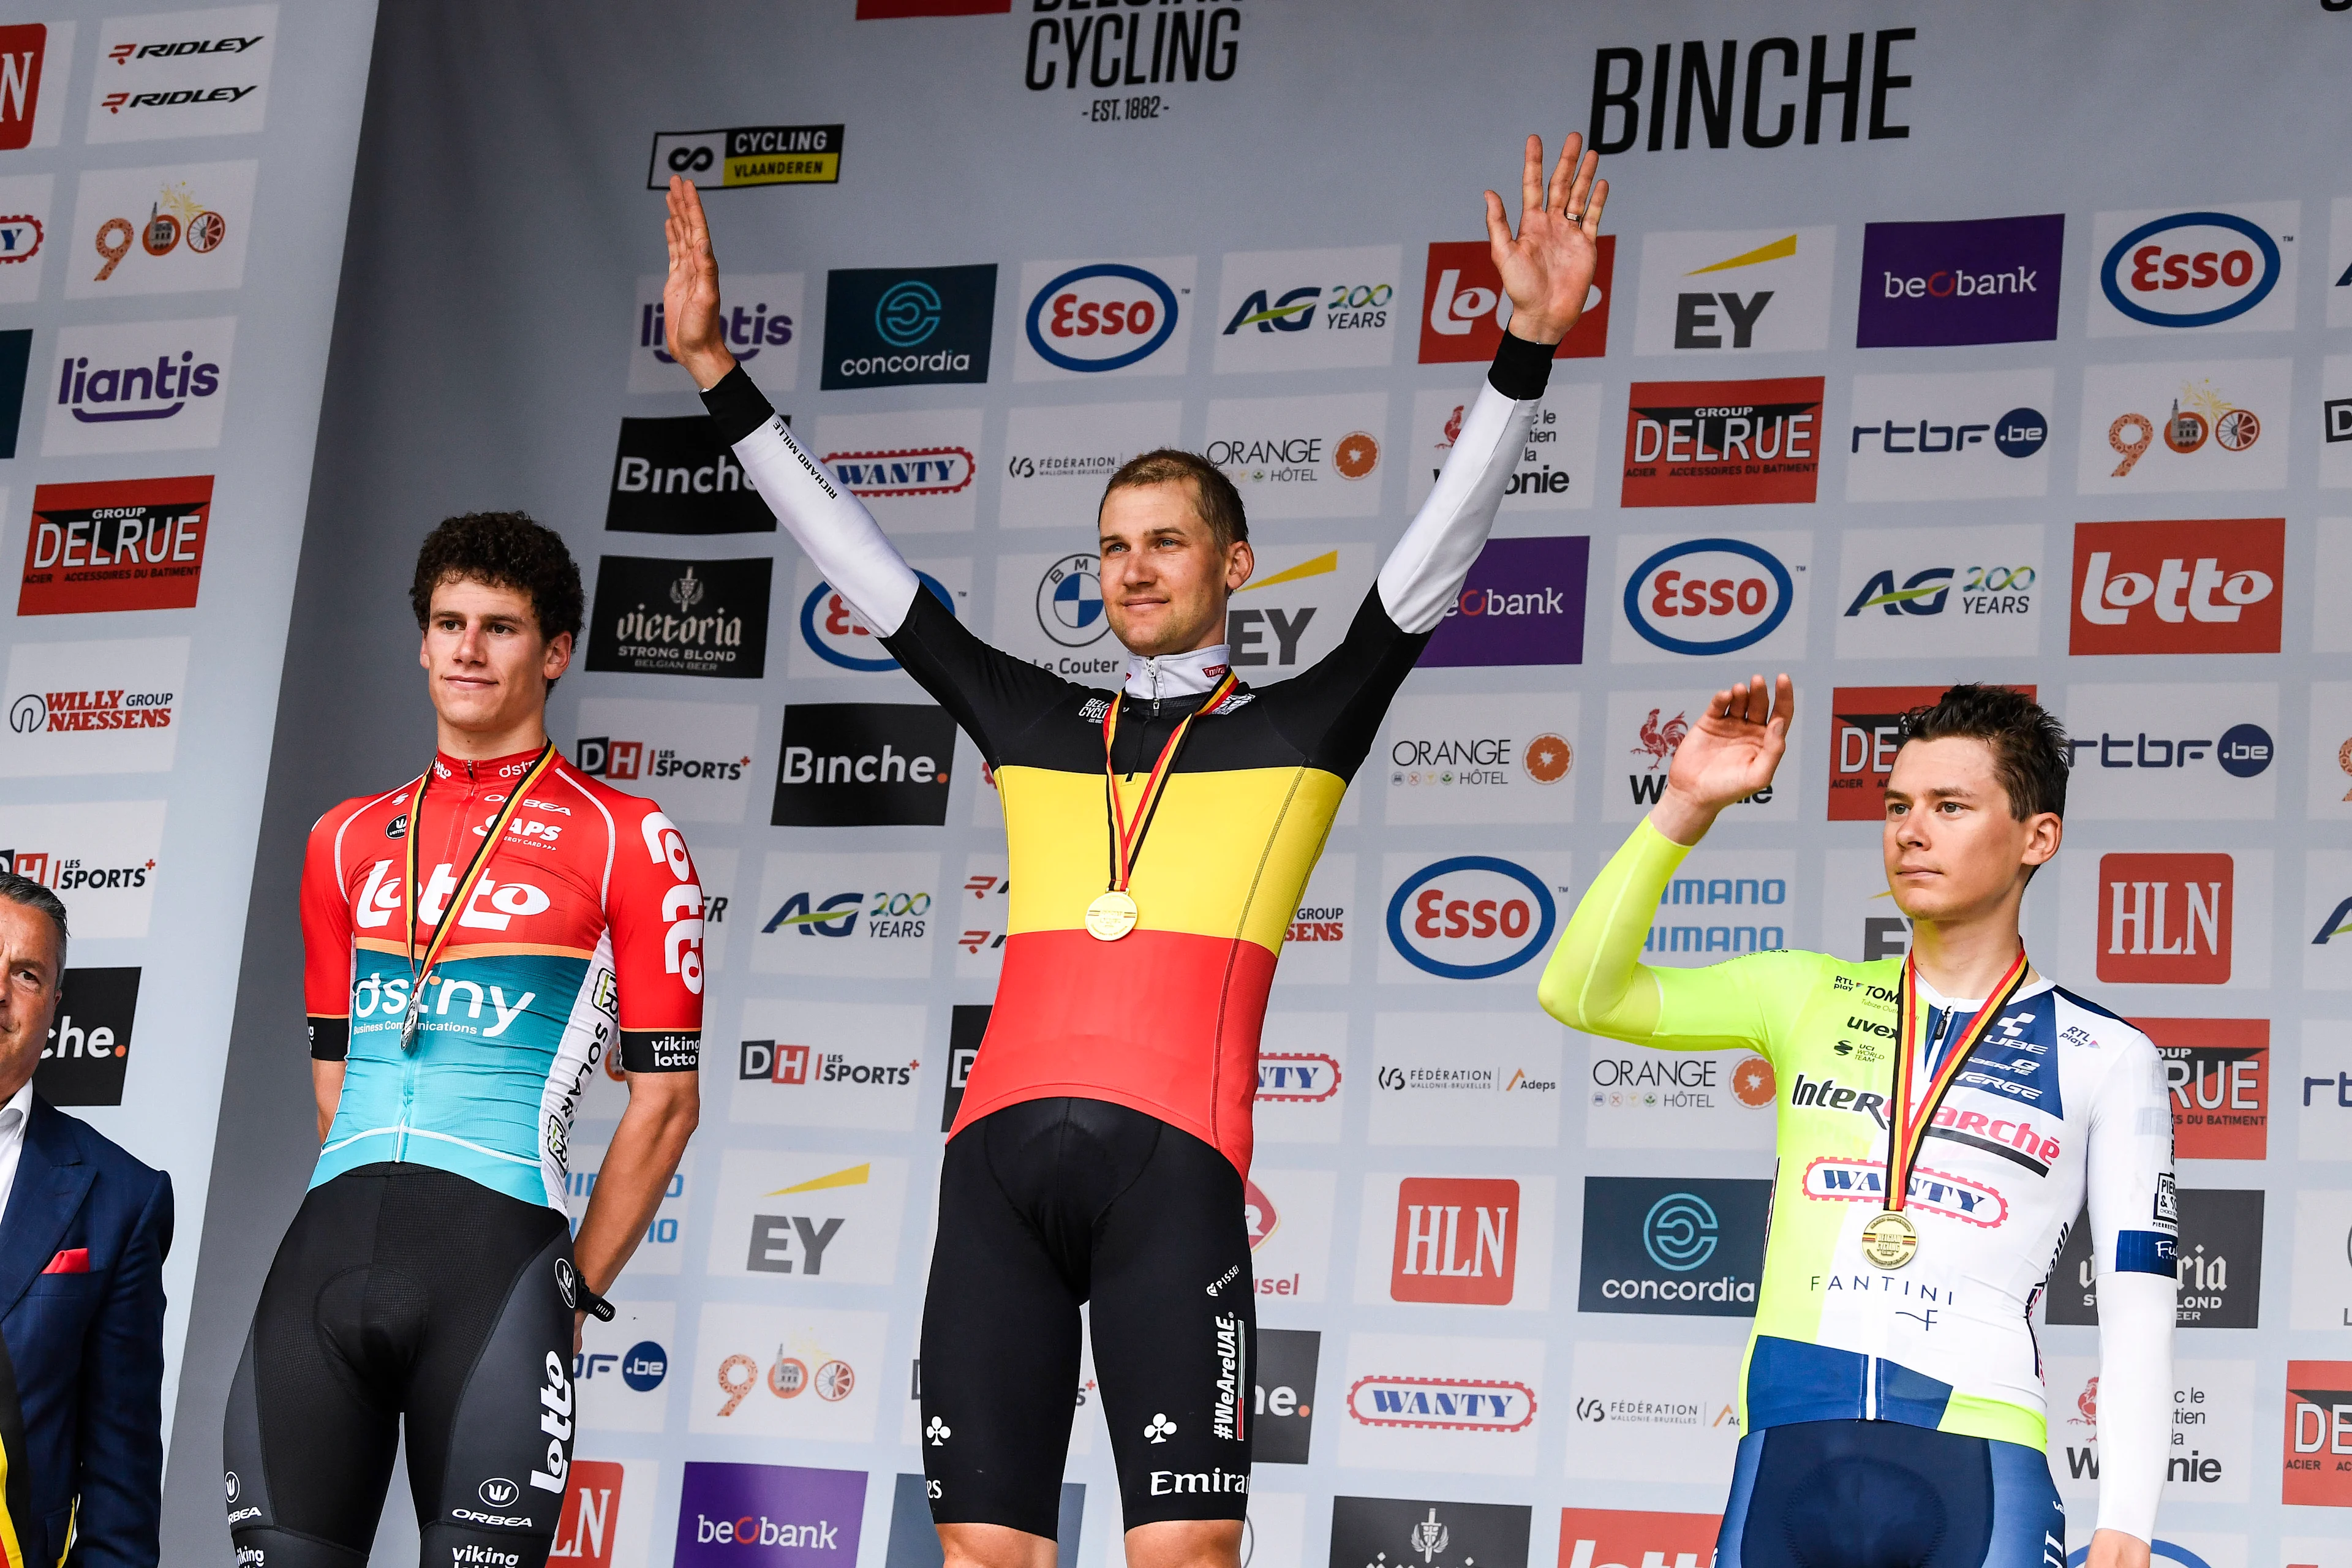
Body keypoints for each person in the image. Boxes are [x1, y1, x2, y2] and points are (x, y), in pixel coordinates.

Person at [663, 135, 1608, 1568]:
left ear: (1234, 564)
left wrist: (1522, 350)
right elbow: (860, 566)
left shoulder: (1302, 720)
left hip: (1172, 1171)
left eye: (1166, 541)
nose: (1132, 568)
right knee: (985, 1552)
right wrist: (719, 378)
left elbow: (1429, 555)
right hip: (991, 1167)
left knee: (1180, 1558)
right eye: (1111, 546)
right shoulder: (1034, 715)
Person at [1539, 679, 2175, 1568]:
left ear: (2039, 837)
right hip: (1790, 1450)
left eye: (1950, 806)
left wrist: (2129, 1520)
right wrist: (1683, 805)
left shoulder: (2109, 1053)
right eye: (1898, 806)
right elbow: (1578, 991)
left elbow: (2140, 1309)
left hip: (1980, 1459)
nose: (1911, 831)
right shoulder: (1805, 993)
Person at [224, 514, 705, 1568]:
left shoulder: (630, 836)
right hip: (323, 1262)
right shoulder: (343, 838)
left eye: (500, 626)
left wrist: (574, 1288)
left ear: (557, 652)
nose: (468, 650)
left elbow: (667, 1103)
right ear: (423, 639)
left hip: (496, 1268)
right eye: (448, 623)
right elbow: (333, 1078)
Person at [0, 873, 173, 1568]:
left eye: (27, 974)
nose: (1, 991)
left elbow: (119, 1485)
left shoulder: (122, 1199)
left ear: (55, 1008)